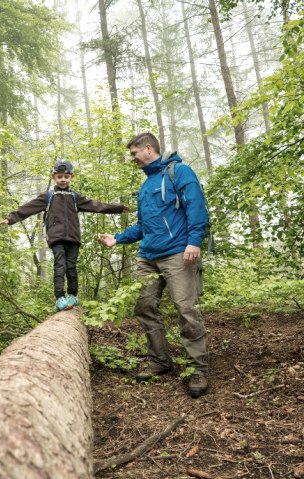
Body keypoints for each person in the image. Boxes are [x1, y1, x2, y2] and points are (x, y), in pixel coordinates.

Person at [98, 132, 210, 398]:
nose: (133, 158)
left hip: (178, 253)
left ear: (148, 149)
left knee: (186, 308)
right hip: (148, 256)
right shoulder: (147, 184)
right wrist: (119, 238)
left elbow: (196, 206)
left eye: (135, 153)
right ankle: (160, 361)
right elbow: (144, 225)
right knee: (145, 305)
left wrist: (194, 241)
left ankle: (198, 368)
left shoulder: (180, 172)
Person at [0, 160, 129, 312]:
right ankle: (60, 298)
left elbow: (96, 205)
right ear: (54, 176)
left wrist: (118, 208)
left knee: (72, 268)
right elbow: (28, 207)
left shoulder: (75, 197)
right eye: (59, 177)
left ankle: (73, 296)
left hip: (73, 239)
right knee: (60, 266)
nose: (63, 180)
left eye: (66, 177)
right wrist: (10, 218)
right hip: (57, 239)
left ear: (71, 177)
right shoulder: (48, 197)